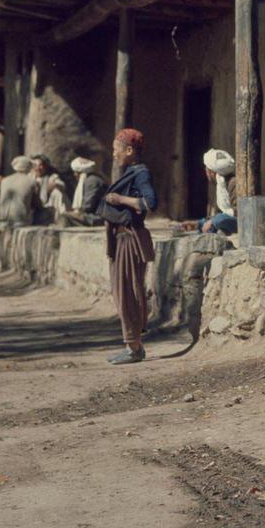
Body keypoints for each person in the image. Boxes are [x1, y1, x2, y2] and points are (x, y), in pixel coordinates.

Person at [101, 127, 157, 365]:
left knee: (127, 293)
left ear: (130, 150)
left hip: (130, 240)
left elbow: (150, 202)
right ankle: (134, 345)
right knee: (123, 290)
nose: (114, 154)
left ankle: (132, 348)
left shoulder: (141, 174)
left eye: (116, 149)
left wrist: (120, 199)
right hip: (121, 239)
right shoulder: (131, 172)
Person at [0, 156, 43, 227]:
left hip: (0, 221)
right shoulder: (32, 182)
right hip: (19, 221)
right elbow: (37, 205)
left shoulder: (4, 180)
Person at [198, 148, 237, 235]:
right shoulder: (220, 183)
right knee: (202, 222)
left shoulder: (233, 183)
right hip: (226, 218)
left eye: (207, 170)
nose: (206, 173)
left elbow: (239, 212)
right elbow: (220, 212)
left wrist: (214, 221)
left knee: (219, 220)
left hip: (238, 221)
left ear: (211, 172)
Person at [63, 156, 105, 224]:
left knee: (65, 216)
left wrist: (77, 213)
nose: (75, 175)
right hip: (93, 215)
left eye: (76, 172)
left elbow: (88, 206)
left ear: (81, 172)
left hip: (98, 217)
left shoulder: (91, 181)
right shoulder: (90, 179)